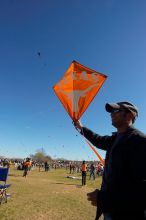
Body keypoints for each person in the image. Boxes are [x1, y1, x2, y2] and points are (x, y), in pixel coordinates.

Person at [73, 101, 146, 220]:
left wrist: (103, 199)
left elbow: (141, 190)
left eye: (116, 111)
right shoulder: (114, 139)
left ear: (130, 115)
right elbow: (97, 139)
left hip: (128, 214)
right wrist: (81, 128)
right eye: (111, 112)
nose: (112, 114)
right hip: (110, 210)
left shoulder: (140, 142)